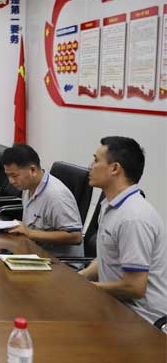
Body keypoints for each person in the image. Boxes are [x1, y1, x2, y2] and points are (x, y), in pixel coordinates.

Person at [79, 136, 166, 326]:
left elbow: (134, 287)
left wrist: (89, 288)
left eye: (96, 160)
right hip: (114, 306)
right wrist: (79, 278)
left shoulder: (133, 217)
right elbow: (108, 257)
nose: (90, 166)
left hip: (142, 321)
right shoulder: (111, 205)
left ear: (115, 168)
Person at [2, 144, 83, 257]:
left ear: (33, 170)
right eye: (8, 175)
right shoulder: (28, 186)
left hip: (57, 261)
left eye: (14, 176)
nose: (11, 181)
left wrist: (30, 233)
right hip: (34, 251)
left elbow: (75, 237)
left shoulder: (56, 195)